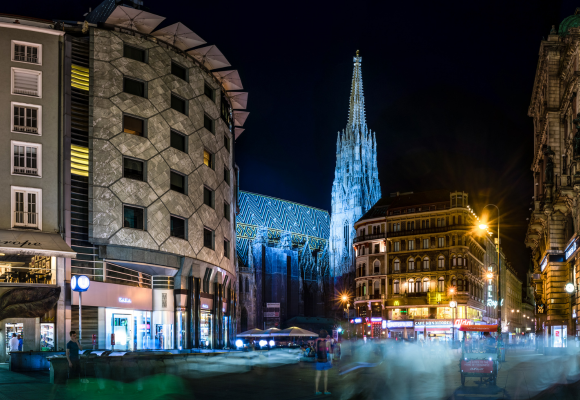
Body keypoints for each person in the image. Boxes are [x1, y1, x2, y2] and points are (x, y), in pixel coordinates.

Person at [314, 330, 332, 395]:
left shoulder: (317, 342)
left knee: (318, 376)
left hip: (319, 360)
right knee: (325, 376)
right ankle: (325, 390)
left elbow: (316, 350)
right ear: (326, 335)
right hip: (325, 360)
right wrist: (331, 360)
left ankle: (317, 390)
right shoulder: (328, 342)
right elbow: (330, 351)